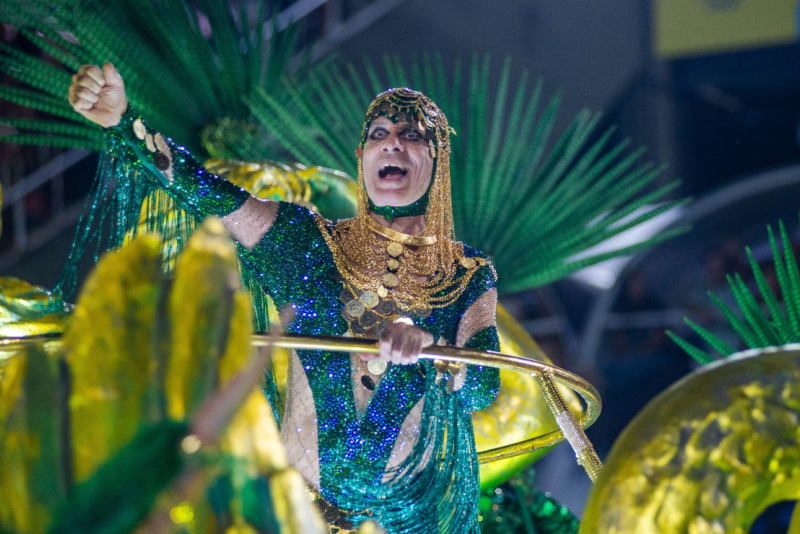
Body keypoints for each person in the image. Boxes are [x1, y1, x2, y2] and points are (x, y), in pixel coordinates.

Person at [69, 63, 501, 533]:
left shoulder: (467, 273)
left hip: (405, 523)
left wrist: (434, 350)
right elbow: (201, 189)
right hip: (292, 516)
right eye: (379, 133)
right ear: (362, 156)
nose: (391, 143)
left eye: (411, 135)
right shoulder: (306, 243)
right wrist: (124, 121)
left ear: (438, 159)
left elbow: (483, 385)